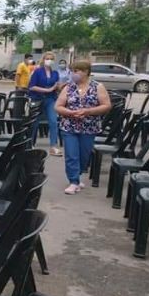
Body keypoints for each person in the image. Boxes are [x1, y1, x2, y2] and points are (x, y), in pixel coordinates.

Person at [55, 60, 112, 195]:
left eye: (76, 71)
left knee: (84, 155)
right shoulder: (69, 87)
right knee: (71, 154)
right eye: (72, 71)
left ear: (86, 72)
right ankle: (73, 181)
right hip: (69, 126)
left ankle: (77, 174)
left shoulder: (98, 87)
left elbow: (106, 105)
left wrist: (88, 111)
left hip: (89, 127)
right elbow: (58, 106)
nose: (73, 74)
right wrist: (69, 112)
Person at [28, 51, 62, 156]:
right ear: (43, 59)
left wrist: (59, 86)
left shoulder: (55, 73)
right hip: (37, 99)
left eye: (51, 59)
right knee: (34, 123)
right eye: (47, 58)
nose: (49, 61)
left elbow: (57, 87)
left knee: (53, 121)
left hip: (51, 99)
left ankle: (53, 146)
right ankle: (30, 144)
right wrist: (47, 90)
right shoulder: (38, 71)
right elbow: (32, 86)